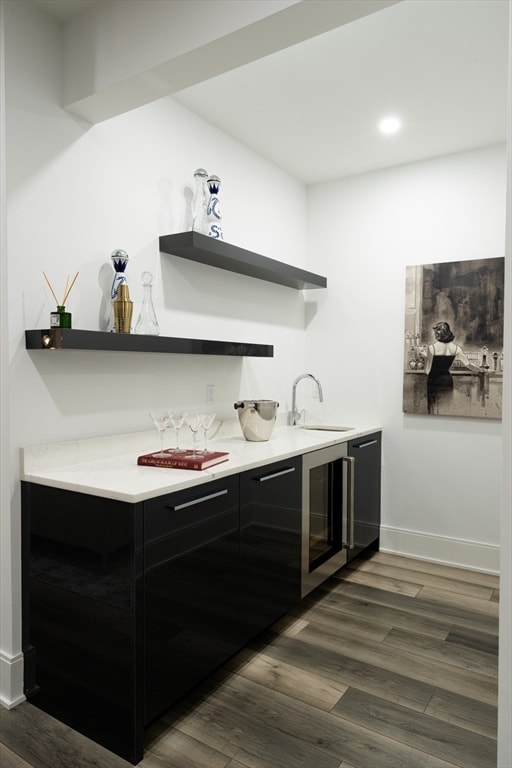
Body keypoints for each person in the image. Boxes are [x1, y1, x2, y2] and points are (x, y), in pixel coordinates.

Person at [424, 321, 482, 414]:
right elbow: (468, 364)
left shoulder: (432, 348)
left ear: (440, 334)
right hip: (447, 380)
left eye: (436, 333)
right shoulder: (456, 348)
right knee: (446, 407)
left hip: (434, 380)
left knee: (433, 409)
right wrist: (481, 369)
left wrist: (425, 356)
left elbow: (427, 371)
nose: (434, 335)